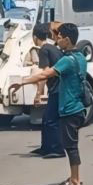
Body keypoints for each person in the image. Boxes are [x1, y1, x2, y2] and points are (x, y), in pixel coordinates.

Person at [9, 23, 88, 185]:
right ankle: (74, 177)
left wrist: (22, 82)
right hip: (78, 106)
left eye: (59, 37)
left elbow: (45, 74)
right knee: (71, 145)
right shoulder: (80, 57)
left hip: (70, 108)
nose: (57, 40)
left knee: (71, 147)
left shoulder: (67, 60)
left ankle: (75, 181)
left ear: (67, 39)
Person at [29, 23, 65, 158]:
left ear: (35, 37)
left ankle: (57, 149)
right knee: (46, 119)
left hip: (56, 88)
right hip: (61, 87)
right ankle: (45, 147)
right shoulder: (53, 48)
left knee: (51, 120)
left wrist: (38, 94)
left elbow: (45, 74)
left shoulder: (43, 50)